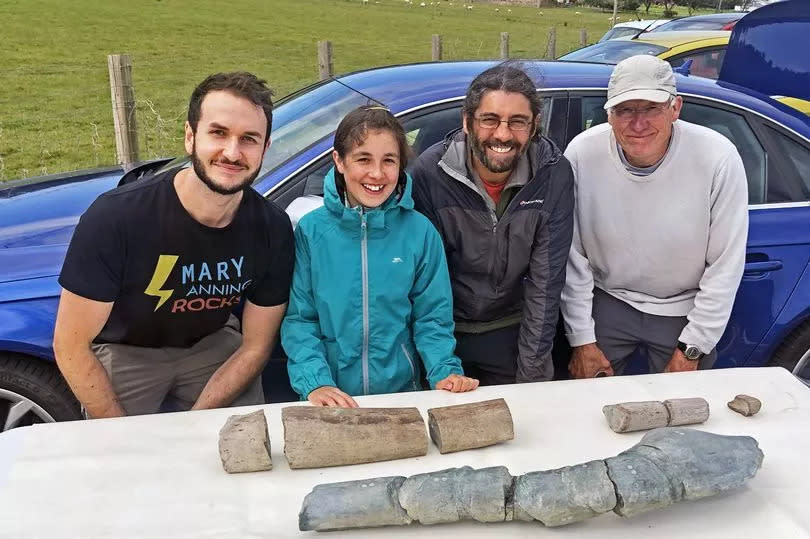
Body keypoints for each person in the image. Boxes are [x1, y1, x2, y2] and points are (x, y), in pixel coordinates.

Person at [53, 72, 294, 418]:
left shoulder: (272, 227)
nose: (232, 151)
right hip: (127, 349)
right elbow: (70, 346)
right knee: (120, 460)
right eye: (218, 133)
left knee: (242, 448)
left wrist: (195, 424)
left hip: (212, 343)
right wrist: (119, 434)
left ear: (265, 149)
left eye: (249, 139)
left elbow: (257, 345)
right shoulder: (116, 217)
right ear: (190, 136)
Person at [561, 55, 748, 378]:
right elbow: (570, 255)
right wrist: (582, 340)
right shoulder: (581, 153)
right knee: (585, 404)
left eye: (651, 108)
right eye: (625, 110)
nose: (637, 123)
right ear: (608, 114)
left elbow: (725, 265)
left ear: (676, 108)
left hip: (684, 306)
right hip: (607, 300)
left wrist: (694, 346)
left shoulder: (717, 156)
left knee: (683, 410)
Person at [282, 105, 479, 407]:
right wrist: (315, 383)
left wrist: (444, 372)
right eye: (363, 159)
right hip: (330, 400)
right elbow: (300, 320)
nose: (376, 174)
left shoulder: (420, 232)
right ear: (339, 161)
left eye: (389, 160)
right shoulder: (311, 232)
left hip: (401, 398)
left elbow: (432, 319)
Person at [410, 62, 575, 385]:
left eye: (517, 122)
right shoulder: (432, 172)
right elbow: (424, 283)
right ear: (467, 121)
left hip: (511, 332)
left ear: (535, 124)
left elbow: (546, 283)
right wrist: (440, 364)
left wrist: (530, 379)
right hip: (442, 334)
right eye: (490, 120)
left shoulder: (553, 175)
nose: (502, 134)